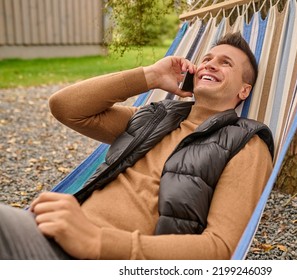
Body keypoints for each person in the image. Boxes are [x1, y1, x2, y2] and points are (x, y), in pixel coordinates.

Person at [0, 32, 273, 260]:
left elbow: (222, 250)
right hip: (61, 234)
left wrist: (97, 241)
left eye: (226, 63)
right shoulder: (155, 116)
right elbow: (65, 107)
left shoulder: (247, 144)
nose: (210, 65)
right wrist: (151, 75)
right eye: (207, 59)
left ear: (244, 91)